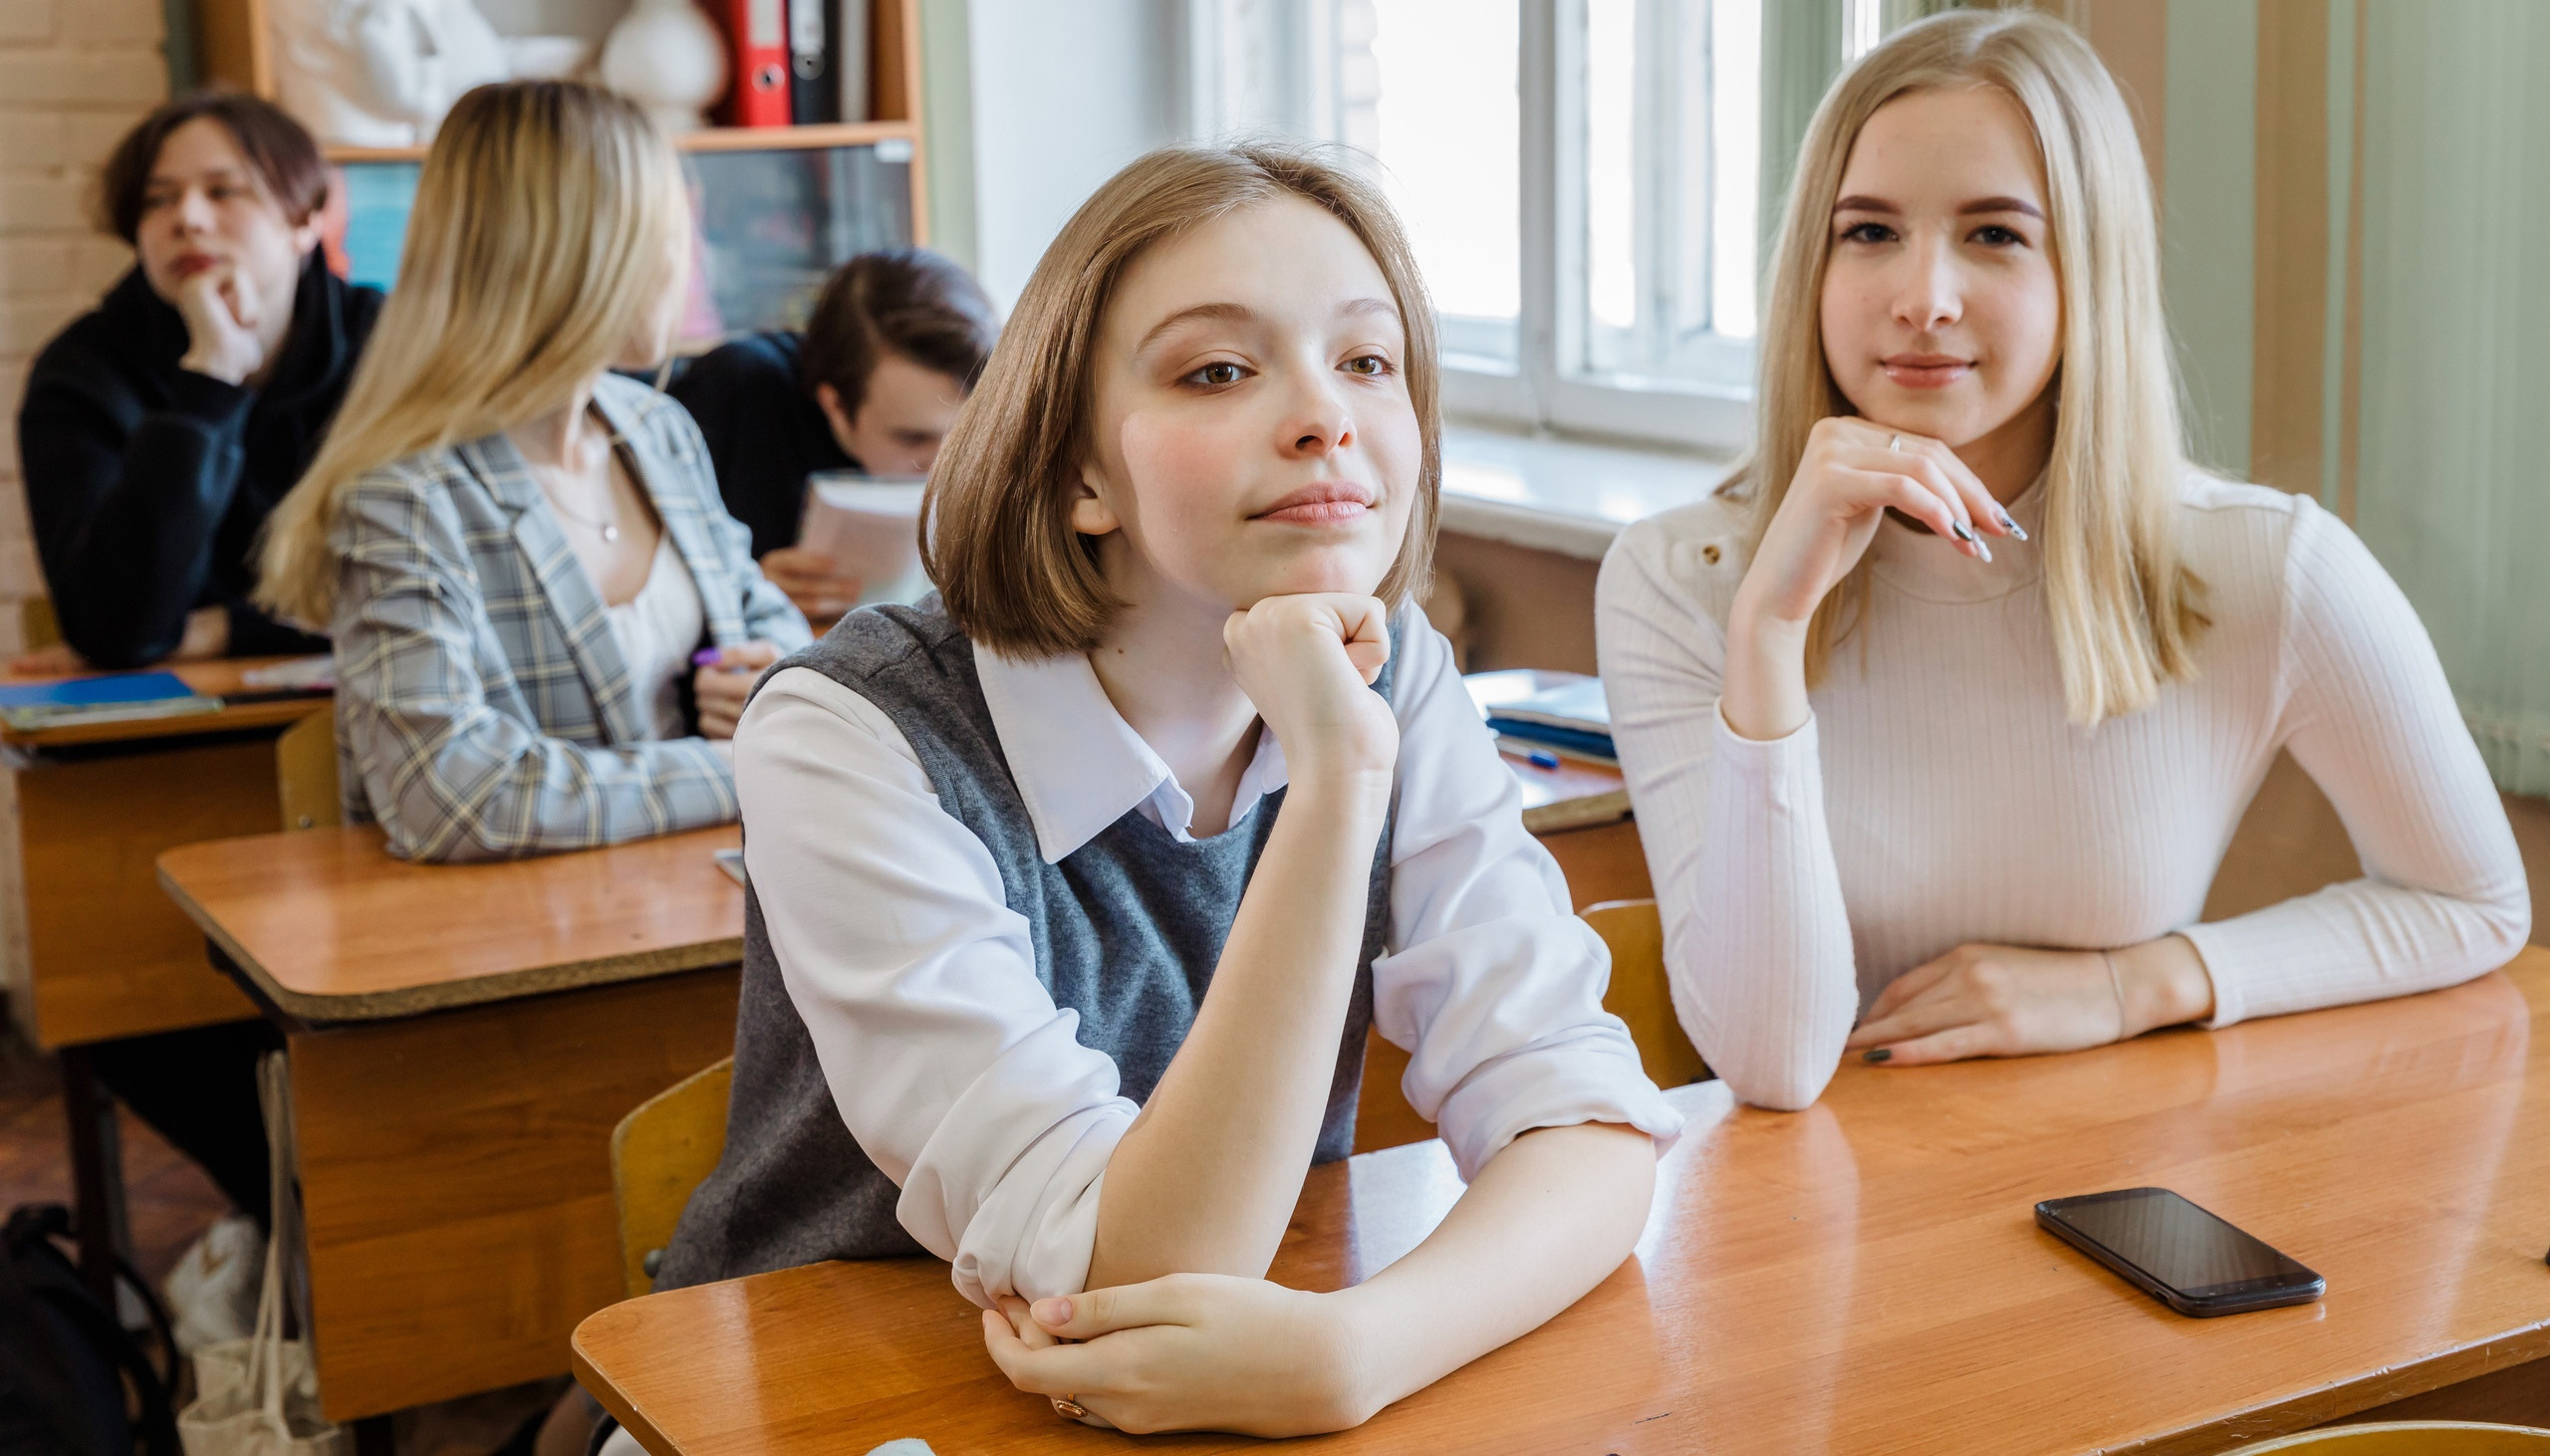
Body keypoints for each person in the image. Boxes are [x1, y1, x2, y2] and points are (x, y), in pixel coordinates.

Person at [637, 143, 1678, 1442]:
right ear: (1080, 474)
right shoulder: (850, 729)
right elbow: (1131, 1274)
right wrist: (1341, 781)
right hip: (828, 1408)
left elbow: (1585, 1121)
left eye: (1366, 361)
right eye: (1220, 370)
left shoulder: (1395, 670)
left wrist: (1362, 1347)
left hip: (1219, 1397)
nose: (1326, 418)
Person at [1596, 8, 2528, 1112]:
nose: (1922, 298)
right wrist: (1768, 631)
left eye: (1994, 234)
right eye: (1868, 231)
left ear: (2089, 271)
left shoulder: (2266, 564)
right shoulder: (1680, 578)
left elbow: (2472, 902)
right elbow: (1770, 1062)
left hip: (2114, 1184)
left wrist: (2136, 984)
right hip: (1815, 1217)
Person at [257, 81, 809, 862]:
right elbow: (447, 797)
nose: (692, 260)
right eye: (670, 230)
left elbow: (761, 614)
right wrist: (744, 771)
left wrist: (767, 674)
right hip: (511, 948)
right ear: (587, 255)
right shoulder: (403, 495)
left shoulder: (659, 430)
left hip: (698, 903)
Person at [18, 92, 383, 670]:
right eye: (157, 200)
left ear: (306, 220)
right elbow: (113, 628)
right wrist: (210, 381)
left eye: (222, 191)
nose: (187, 218)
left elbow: (439, 586)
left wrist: (221, 630)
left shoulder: (387, 344)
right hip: (171, 740)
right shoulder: (82, 371)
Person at [668, 248, 998, 620]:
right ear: (835, 407)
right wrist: (746, 591)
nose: (945, 467)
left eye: (966, 436)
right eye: (912, 439)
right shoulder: (735, 394)